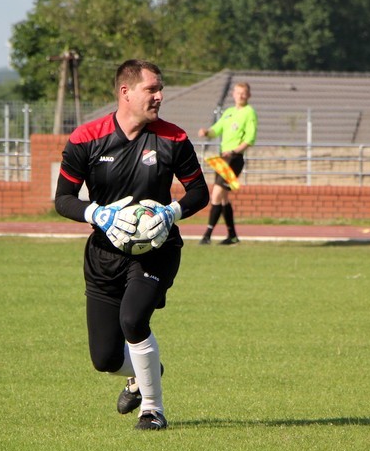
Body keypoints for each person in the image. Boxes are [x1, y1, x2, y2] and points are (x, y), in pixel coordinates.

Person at [54, 59, 209, 431]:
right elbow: (63, 198)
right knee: (105, 358)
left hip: (157, 251)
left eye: (160, 89)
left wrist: (172, 212)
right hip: (104, 256)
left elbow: (199, 191)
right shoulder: (86, 138)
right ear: (125, 92)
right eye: (151, 89)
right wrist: (97, 214)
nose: (159, 96)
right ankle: (146, 369)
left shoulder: (173, 138)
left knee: (133, 319)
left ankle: (152, 410)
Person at [197, 82, 258, 245]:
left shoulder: (249, 112)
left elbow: (249, 139)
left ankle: (207, 235)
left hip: (234, 159)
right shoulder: (229, 112)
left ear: (249, 95)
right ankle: (232, 236)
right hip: (222, 158)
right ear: (233, 94)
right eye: (238, 92)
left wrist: (234, 151)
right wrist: (207, 132)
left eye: (243, 93)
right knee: (223, 198)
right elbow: (216, 129)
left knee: (216, 194)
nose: (240, 96)